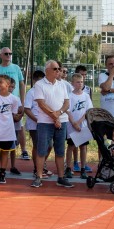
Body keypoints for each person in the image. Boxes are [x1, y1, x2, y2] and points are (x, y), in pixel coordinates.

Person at [32, 60, 72, 188]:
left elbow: (67, 103)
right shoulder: (39, 84)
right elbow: (41, 103)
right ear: (47, 70)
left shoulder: (62, 85)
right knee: (41, 150)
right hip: (45, 122)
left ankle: (61, 177)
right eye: (55, 69)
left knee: (60, 151)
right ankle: (38, 177)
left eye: (59, 69)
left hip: (62, 121)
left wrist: (58, 114)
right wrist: (54, 117)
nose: (58, 71)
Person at [0, 47, 28, 160]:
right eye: (6, 53)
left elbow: (21, 84)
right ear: (1, 55)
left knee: (19, 126)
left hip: (14, 102)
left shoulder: (16, 68)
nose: (8, 55)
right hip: (0, 102)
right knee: (0, 123)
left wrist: (22, 101)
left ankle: (24, 150)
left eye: (10, 53)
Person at [65, 71, 93, 179]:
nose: (80, 84)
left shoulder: (86, 96)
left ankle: (83, 168)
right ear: (72, 83)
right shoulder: (69, 96)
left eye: (81, 82)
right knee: (71, 146)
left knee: (83, 147)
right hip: (71, 125)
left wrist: (79, 122)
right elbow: (67, 111)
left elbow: (88, 111)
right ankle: (68, 168)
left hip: (83, 125)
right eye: (77, 82)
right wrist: (73, 122)